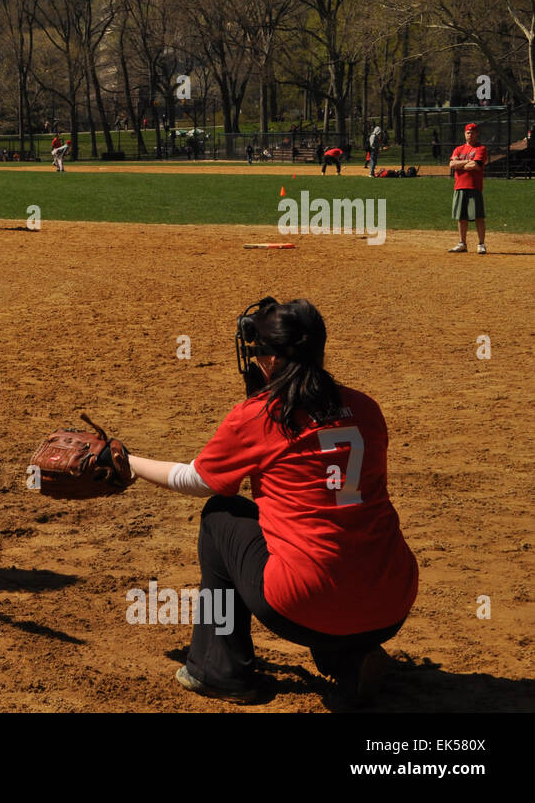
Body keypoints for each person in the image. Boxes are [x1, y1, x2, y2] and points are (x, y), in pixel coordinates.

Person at [126, 297, 417, 705]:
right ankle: (349, 659)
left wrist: (128, 460)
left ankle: (220, 671)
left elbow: (197, 480)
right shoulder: (367, 408)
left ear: (269, 359)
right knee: (340, 536)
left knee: (221, 516)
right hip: (393, 600)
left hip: (303, 605)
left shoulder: (260, 415)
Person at [448, 122, 487, 254]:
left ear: (477, 134)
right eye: (468, 132)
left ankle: (481, 244)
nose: (470, 135)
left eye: (473, 132)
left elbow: (475, 166)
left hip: (474, 186)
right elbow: (452, 164)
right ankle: (462, 243)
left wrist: (460, 164)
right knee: (461, 216)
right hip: (460, 186)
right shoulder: (458, 149)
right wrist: (465, 162)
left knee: (478, 216)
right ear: (465, 134)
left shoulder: (481, 148)